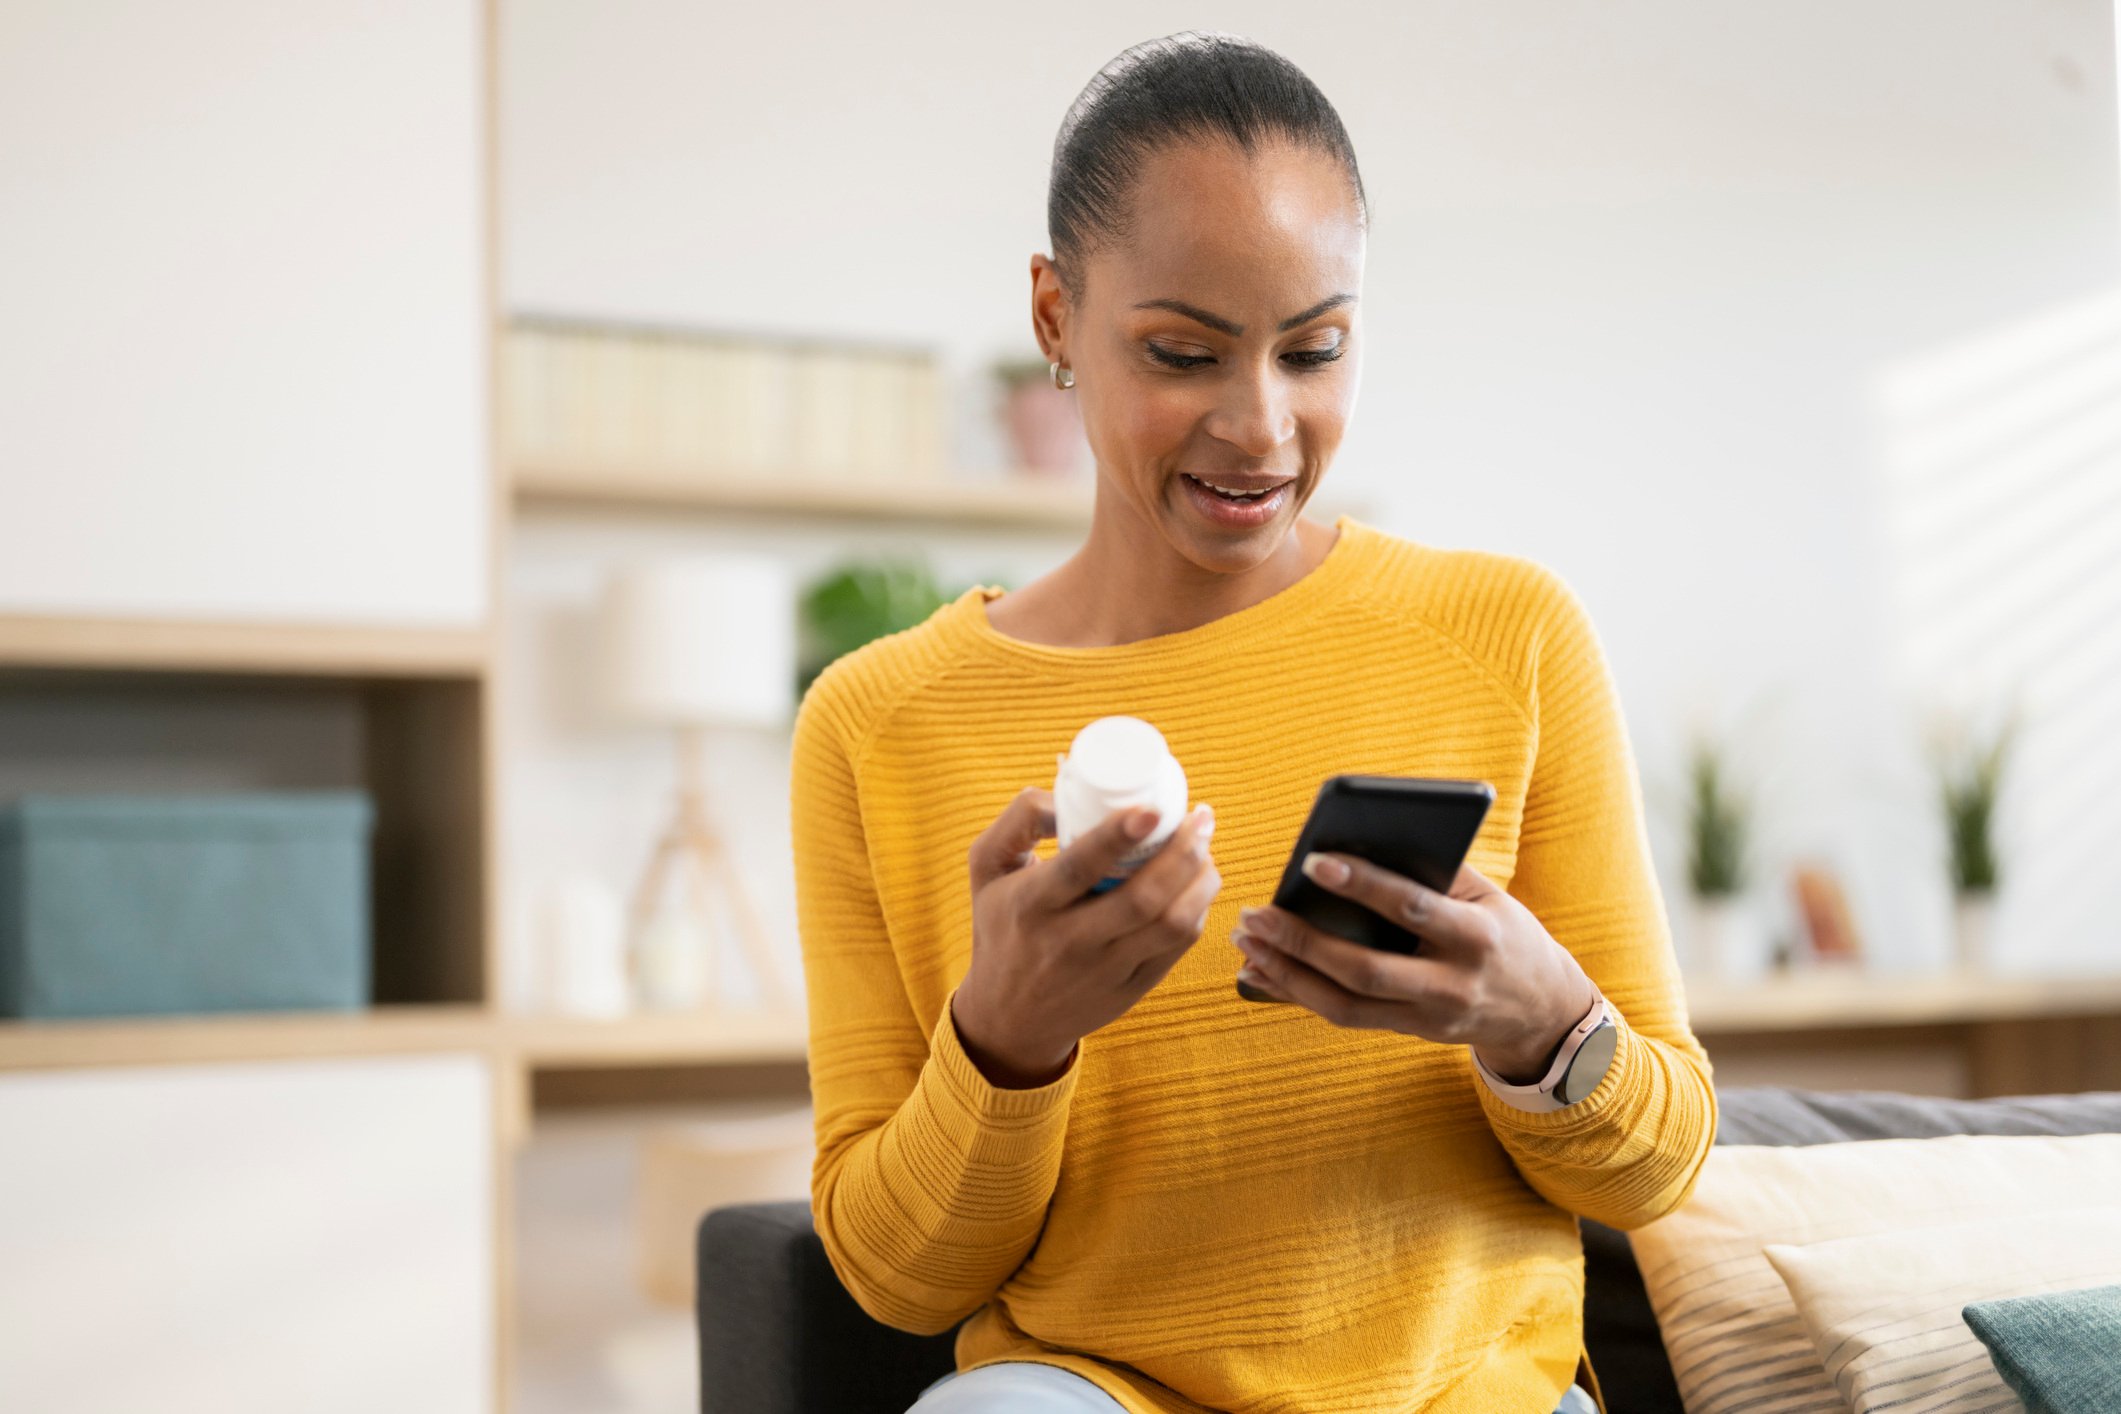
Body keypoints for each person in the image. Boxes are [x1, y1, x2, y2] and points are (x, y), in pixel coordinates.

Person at [788, 31, 1715, 1414]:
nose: (1259, 425)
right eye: (1181, 351)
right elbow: (894, 1278)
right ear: (1054, 315)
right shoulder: (878, 722)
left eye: (1313, 349)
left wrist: (1541, 1028)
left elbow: (1656, 1163)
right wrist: (1005, 1037)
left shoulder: (1505, 637)